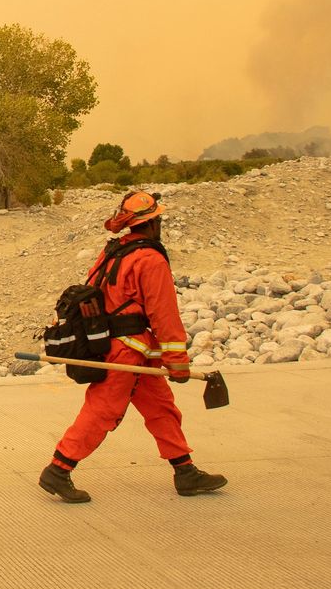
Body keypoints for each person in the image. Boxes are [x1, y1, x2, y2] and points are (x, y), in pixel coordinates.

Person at [38, 191, 226, 504]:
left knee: (161, 407)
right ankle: (58, 468)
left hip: (127, 347)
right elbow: (163, 313)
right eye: (158, 220)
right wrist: (177, 361)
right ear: (153, 224)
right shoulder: (150, 259)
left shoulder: (115, 251)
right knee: (103, 410)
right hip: (127, 350)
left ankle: (185, 471)